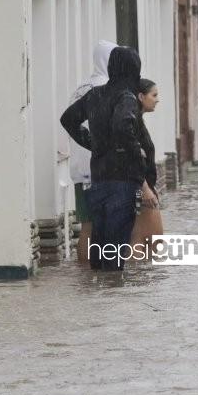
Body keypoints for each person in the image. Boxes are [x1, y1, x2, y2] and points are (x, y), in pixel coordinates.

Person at [59, 46, 146, 271]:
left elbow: (68, 119)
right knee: (116, 251)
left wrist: (93, 143)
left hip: (99, 179)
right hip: (123, 180)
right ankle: (113, 294)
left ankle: (101, 297)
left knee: (100, 245)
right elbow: (123, 125)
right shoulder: (127, 97)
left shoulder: (95, 94)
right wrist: (137, 156)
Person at [69, 40, 118, 265]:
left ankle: (85, 278)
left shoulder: (81, 88)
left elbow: (71, 123)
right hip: (103, 167)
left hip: (81, 169)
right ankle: (104, 279)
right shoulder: (108, 89)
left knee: (87, 227)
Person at [129, 79, 163, 256]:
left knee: (150, 242)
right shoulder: (132, 122)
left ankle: (140, 279)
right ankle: (136, 279)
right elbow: (133, 158)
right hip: (141, 190)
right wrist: (144, 189)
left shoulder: (137, 120)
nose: (157, 99)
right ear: (141, 96)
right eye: (154, 95)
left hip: (144, 189)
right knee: (145, 242)